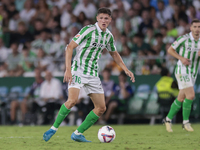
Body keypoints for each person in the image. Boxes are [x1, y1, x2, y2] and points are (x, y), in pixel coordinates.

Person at [43, 7, 135, 142]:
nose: (104, 20)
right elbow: (70, 47)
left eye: (106, 18)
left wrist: (125, 69)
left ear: (110, 20)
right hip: (78, 70)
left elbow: (114, 53)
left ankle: (78, 133)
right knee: (72, 101)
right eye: (101, 18)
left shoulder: (108, 36)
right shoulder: (88, 30)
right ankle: (53, 128)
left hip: (92, 73)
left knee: (101, 108)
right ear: (97, 18)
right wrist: (68, 69)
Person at [163, 19, 200, 132]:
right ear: (190, 28)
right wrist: (182, 58)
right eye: (195, 26)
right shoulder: (184, 38)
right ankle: (185, 122)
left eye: (199, 27)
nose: (197, 29)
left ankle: (168, 120)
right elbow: (170, 50)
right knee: (191, 95)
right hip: (182, 69)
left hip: (193, 72)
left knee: (181, 97)